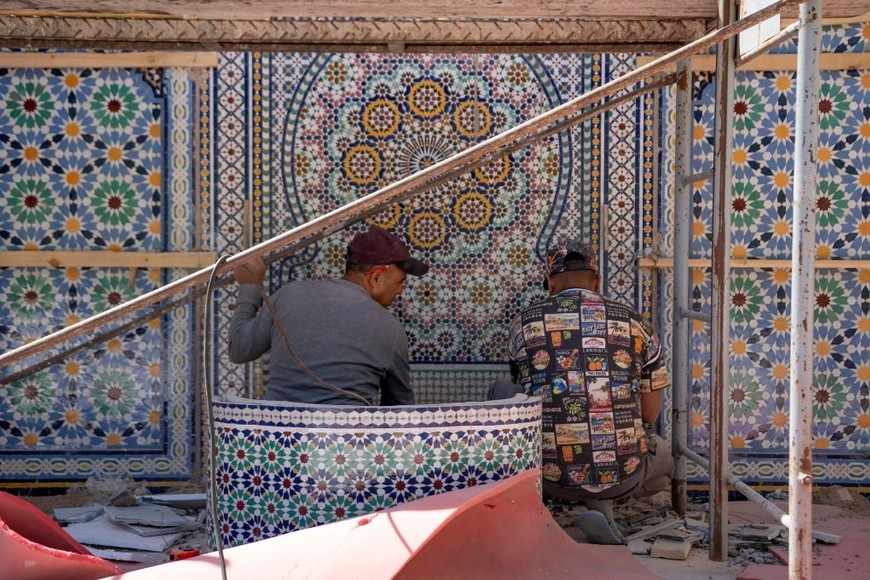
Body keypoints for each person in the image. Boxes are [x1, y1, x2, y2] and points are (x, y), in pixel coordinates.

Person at [507, 239, 674, 544]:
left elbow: (521, 391)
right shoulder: (636, 323)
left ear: (550, 282)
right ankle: (602, 506)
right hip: (623, 474)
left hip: (548, 477)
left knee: (504, 390)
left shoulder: (524, 323)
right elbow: (650, 413)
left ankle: (535, 508)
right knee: (665, 468)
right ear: (597, 281)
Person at [228, 225, 428, 406]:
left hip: (279, 440)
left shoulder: (289, 295)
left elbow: (239, 349)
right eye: (401, 281)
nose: (401, 289)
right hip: (346, 442)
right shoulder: (390, 328)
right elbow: (400, 410)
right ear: (376, 278)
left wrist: (249, 286)